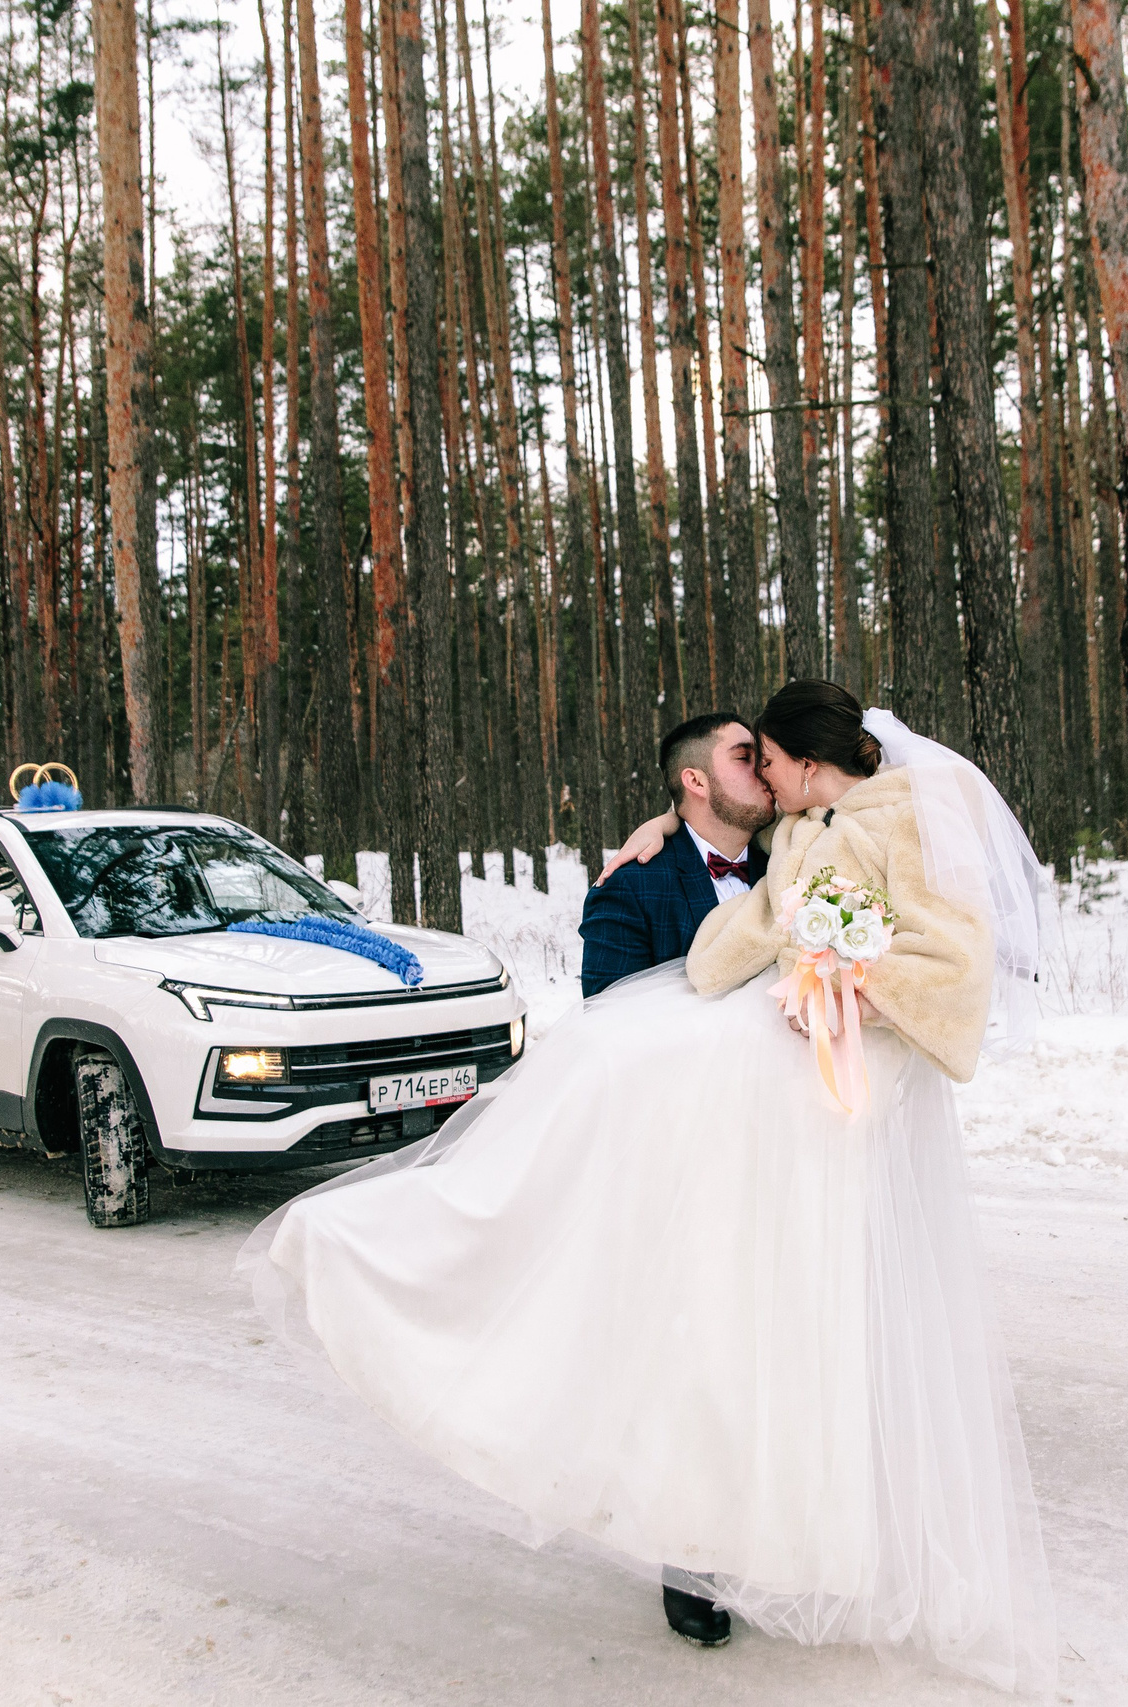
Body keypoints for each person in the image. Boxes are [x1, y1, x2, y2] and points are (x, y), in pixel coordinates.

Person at [241, 681, 1056, 1693]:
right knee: (664, 1237)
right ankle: (436, 1246)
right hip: (729, 1111)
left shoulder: (882, 818)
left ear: (802, 762)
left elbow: (945, 961)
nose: (758, 773)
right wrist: (694, 881)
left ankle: (808, 1532)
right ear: (699, 782)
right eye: (738, 759)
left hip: (820, 1092)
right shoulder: (727, 849)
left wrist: (846, 975)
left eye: (765, 755)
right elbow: (714, 949)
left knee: (805, 1328)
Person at [577, 712, 775, 1000]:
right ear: (696, 782)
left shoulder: (785, 862)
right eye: (744, 757)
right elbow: (610, 1027)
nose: (765, 769)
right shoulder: (631, 888)